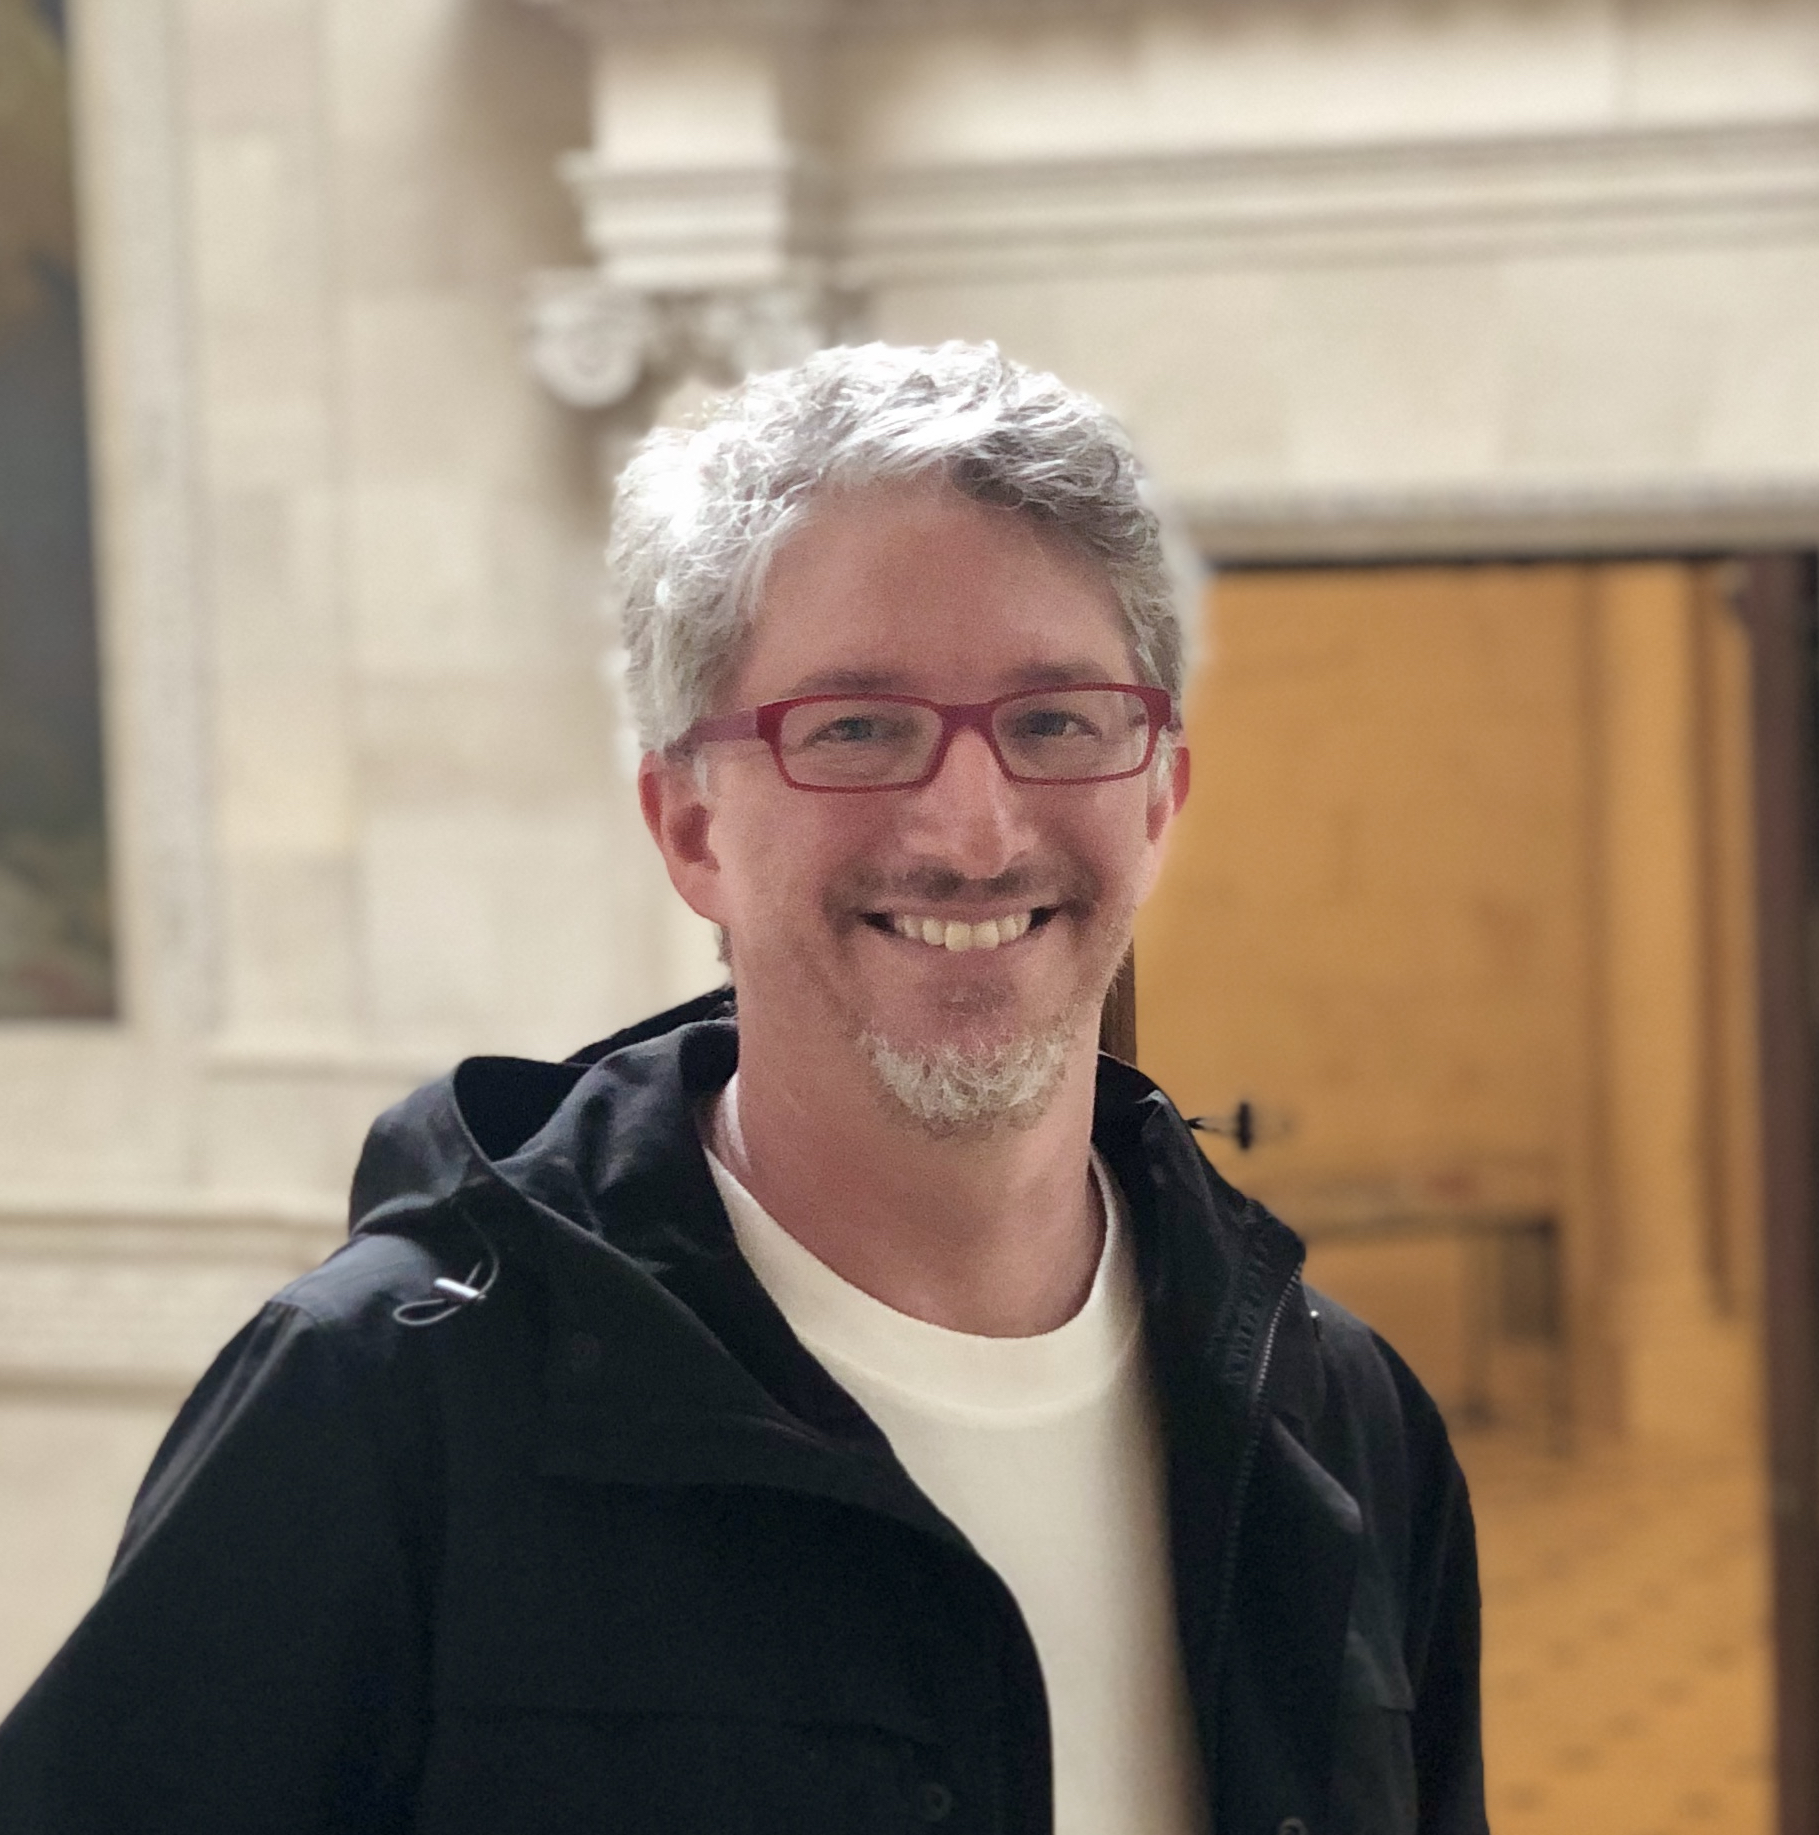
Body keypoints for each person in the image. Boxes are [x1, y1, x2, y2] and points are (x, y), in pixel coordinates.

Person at [0, 342, 1484, 1834]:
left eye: (1056, 721)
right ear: (690, 826)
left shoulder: (1340, 1421)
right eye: (856, 730)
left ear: (1158, 795)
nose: (975, 832)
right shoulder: (385, 1413)